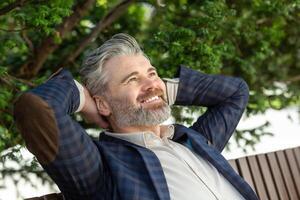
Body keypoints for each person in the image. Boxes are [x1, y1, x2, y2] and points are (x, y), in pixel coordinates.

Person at [14, 33, 258, 200]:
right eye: (132, 79)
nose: (150, 83)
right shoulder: (101, 168)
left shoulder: (194, 140)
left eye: (151, 73)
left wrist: (161, 89)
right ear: (103, 104)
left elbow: (236, 93)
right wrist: (82, 98)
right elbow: (36, 108)